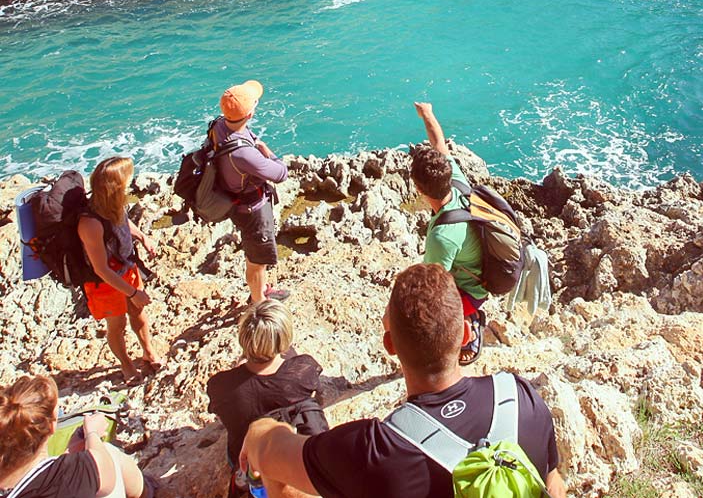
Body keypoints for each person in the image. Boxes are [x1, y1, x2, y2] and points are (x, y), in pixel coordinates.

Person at [240, 263, 566, 498]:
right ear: (467, 335)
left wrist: (261, 430)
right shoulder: (521, 397)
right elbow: (552, 483)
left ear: (390, 347)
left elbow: (268, 453)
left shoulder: (372, 452)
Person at [206, 300, 326, 497]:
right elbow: (317, 397)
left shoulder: (221, 386)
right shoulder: (303, 370)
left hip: (245, 457)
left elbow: (222, 413)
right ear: (284, 341)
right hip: (291, 453)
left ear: (244, 339)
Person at [410, 102, 488, 365]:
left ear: (420, 191)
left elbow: (434, 287)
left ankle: (470, 326)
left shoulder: (441, 237)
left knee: (429, 310)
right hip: (481, 266)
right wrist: (428, 114)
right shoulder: (456, 181)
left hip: (474, 288)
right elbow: (439, 142)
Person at [77, 158, 159, 384]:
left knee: (138, 314)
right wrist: (133, 293)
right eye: (127, 181)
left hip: (127, 269)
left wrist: (142, 237)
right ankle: (126, 364)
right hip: (104, 284)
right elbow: (101, 269)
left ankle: (148, 352)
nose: (130, 184)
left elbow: (122, 221)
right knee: (117, 325)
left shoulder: (113, 203)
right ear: (116, 186)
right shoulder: (89, 223)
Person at [0, 374, 148, 498]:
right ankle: (149, 491)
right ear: (51, 426)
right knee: (108, 452)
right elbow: (103, 471)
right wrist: (92, 434)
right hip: (98, 471)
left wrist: (70, 451)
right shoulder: (71, 473)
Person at [213, 80, 289, 306]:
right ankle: (258, 302)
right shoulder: (244, 155)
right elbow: (280, 173)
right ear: (249, 115)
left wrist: (254, 140)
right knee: (256, 259)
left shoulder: (219, 126)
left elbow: (245, 134)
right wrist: (267, 152)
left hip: (236, 201)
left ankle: (261, 288)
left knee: (253, 254)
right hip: (253, 210)